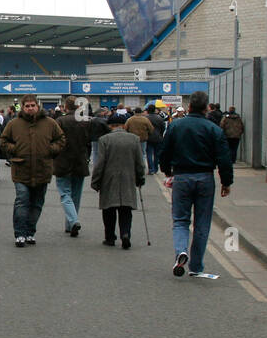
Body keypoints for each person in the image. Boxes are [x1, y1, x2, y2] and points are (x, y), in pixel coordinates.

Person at [159, 90, 233, 277]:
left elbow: (165, 151)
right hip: (205, 178)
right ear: (207, 108)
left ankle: (181, 251)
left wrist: (167, 171)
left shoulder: (176, 126)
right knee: (202, 223)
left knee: (181, 220)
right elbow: (224, 158)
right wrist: (226, 182)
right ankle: (197, 265)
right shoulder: (214, 129)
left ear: (189, 106)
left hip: (182, 177)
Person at [0, 94, 66, 247]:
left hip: (43, 169)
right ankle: (20, 234)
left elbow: (61, 139)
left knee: (37, 203)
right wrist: (14, 149)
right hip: (21, 169)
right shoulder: (14, 124)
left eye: (32, 105)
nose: (30, 108)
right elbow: (3, 140)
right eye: (27, 106)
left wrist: (50, 149)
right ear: (22, 107)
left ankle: (30, 232)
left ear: (38, 106)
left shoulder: (50, 123)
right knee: (22, 201)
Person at [91, 113, 146, 248]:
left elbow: (100, 163)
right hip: (128, 178)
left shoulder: (104, 139)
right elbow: (139, 162)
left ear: (110, 126)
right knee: (126, 210)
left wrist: (95, 181)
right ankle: (125, 233)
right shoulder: (134, 139)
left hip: (109, 179)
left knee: (108, 209)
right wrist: (140, 178)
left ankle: (110, 237)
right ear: (124, 125)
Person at [54, 96, 91, 236]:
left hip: (63, 161)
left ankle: (73, 221)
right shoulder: (85, 121)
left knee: (65, 194)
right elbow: (88, 141)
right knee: (76, 195)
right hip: (80, 161)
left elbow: (55, 140)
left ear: (66, 106)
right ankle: (70, 224)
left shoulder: (60, 121)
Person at [145, 104, 167, 174]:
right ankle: (156, 169)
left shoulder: (146, 118)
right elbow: (163, 128)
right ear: (155, 110)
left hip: (149, 138)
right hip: (158, 138)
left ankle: (151, 169)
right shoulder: (159, 118)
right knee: (156, 154)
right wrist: (160, 134)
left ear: (148, 110)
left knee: (149, 154)